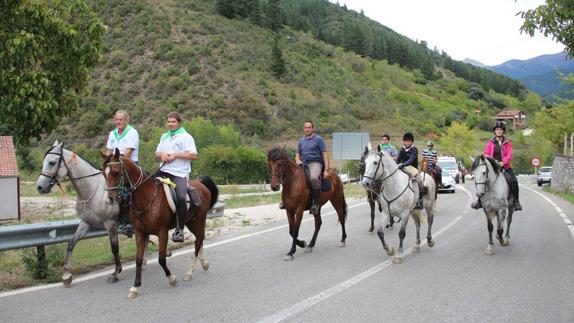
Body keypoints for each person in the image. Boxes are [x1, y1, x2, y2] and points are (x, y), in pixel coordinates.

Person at [155, 112, 201, 243]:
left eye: (173, 122)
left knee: (181, 197)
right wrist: (162, 155)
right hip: (163, 170)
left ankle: (179, 230)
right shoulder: (164, 136)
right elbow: (157, 152)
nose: (170, 124)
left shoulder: (186, 137)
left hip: (179, 173)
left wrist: (175, 155)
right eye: (169, 122)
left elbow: (193, 155)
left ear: (179, 123)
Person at [471, 121, 522, 211]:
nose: (499, 131)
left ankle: (516, 202)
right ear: (495, 131)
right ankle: (479, 201)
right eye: (497, 129)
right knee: (481, 179)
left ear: (503, 131)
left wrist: (503, 162)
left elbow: (509, 155)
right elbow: (486, 153)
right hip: (492, 165)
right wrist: (489, 159)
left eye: (500, 130)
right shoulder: (490, 142)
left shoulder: (508, 143)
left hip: (504, 166)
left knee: (514, 180)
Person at [105, 110, 139, 237]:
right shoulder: (112, 134)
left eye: (121, 119)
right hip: (115, 166)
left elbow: (127, 154)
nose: (118, 122)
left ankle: (129, 222)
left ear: (127, 120)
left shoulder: (132, 132)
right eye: (116, 119)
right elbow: (109, 151)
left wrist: (112, 160)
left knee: (127, 192)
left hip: (129, 165)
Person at [295, 121, 330, 215]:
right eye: (305, 127)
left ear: (312, 128)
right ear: (304, 128)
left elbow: (325, 154)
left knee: (313, 178)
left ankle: (315, 203)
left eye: (309, 127)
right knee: (292, 178)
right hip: (303, 164)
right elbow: (297, 154)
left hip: (315, 163)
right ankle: (288, 201)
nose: (307, 129)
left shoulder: (319, 139)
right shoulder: (301, 141)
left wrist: (326, 169)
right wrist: (298, 161)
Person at [396, 132, 424, 209]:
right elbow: (398, 159)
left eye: (409, 141)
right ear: (404, 141)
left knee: (419, 180)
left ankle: (420, 200)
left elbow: (411, 160)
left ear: (412, 142)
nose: (407, 142)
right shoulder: (402, 149)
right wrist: (396, 165)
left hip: (413, 168)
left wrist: (403, 164)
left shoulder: (414, 149)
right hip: (403, 168)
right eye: (406, 141)